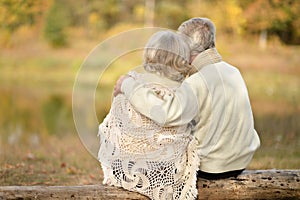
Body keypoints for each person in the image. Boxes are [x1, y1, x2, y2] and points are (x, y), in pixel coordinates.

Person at [114, 18, 261, 180]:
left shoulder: (196, 82)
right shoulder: (233, 72)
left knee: (144, 161)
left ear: (185, 48)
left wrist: (127, 85)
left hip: (213, 167)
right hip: (240, 161)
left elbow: (165, 114)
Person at [98, 31, 200, 200]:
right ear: (182, 59)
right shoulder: (185, 91)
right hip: (168, 171)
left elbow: (115, 124)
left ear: (149, 53)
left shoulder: (130, 81)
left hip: (125, 168)